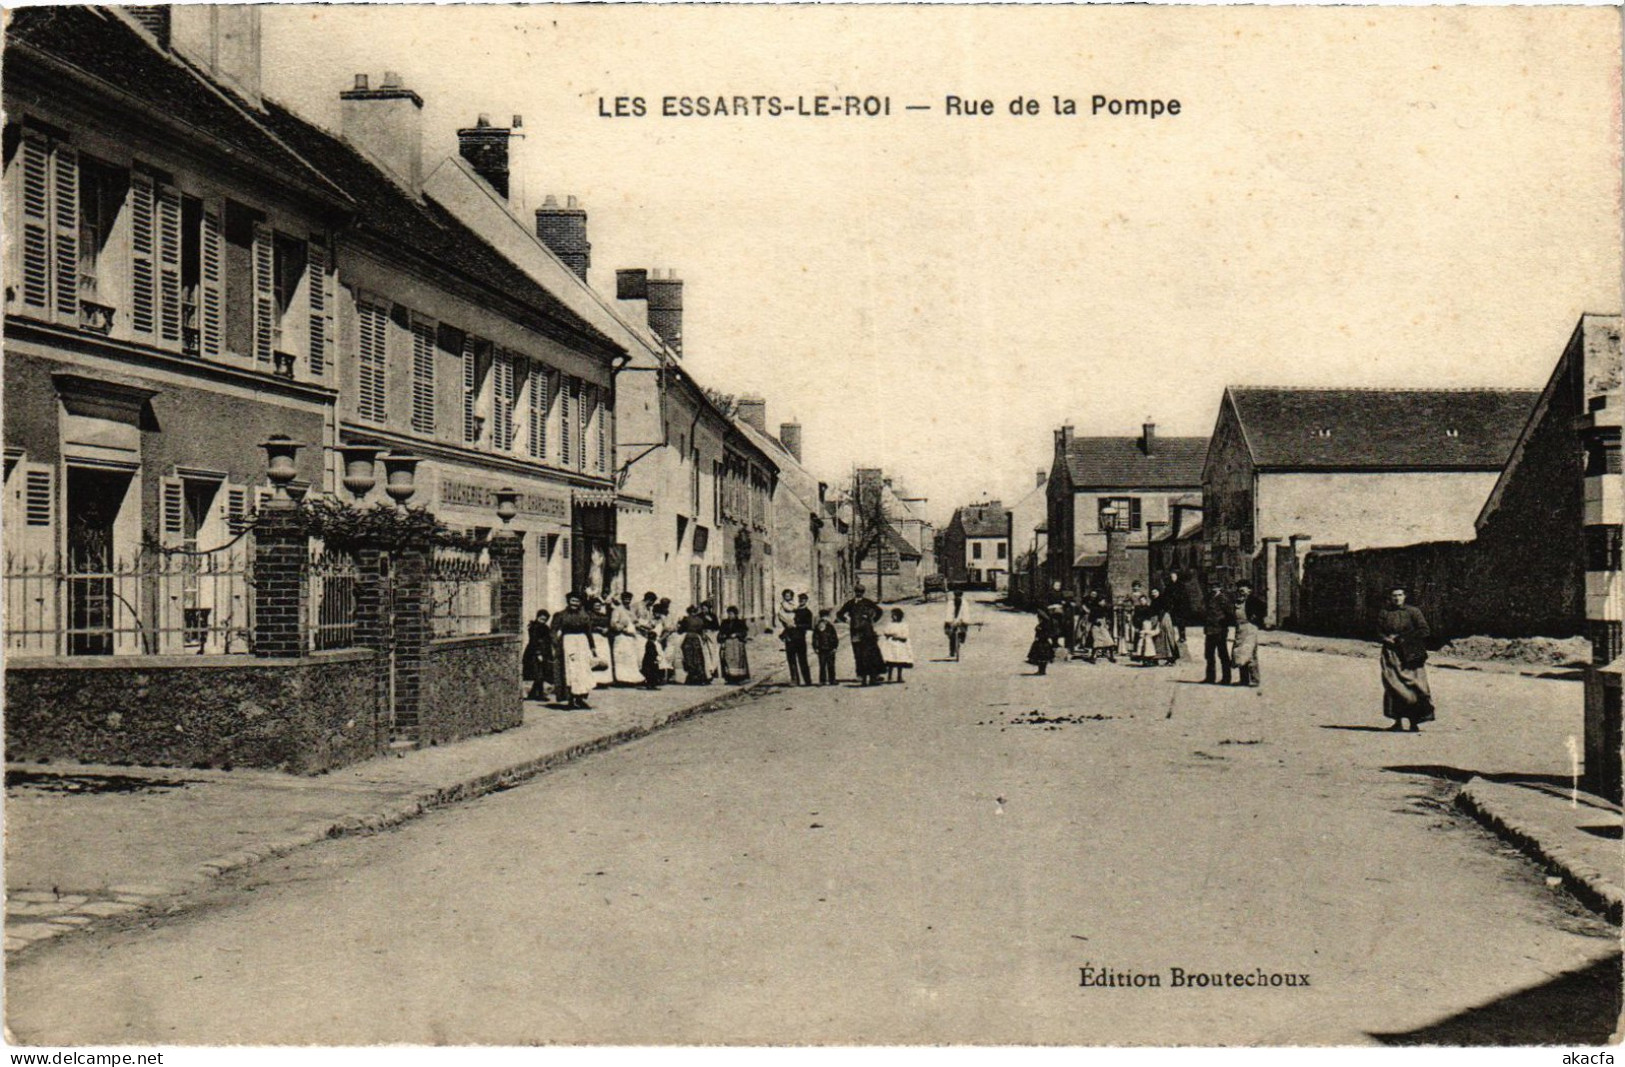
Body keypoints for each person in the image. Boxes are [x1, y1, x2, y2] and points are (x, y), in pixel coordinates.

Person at [1378, 586, 1435, 732]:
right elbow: (1378, 631)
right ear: (1390, 598)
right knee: (1393, 686)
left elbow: (1424, 630)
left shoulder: (1413, 612)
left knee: (1415, 686)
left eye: (1400, 595)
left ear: (1405, 596)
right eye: (1394, 595)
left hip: (1411, 654)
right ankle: (1397, 722)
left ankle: (1414, 722)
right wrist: (1386, 639)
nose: (1397, 598)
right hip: (1391, 654)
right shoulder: (1385, 613)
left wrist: (1404, 639)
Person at [552, 592, 604, 709]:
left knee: (583, 671)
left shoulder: (584, 616)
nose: (574, 604)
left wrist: (592, 648)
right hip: (568, 643)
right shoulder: (560, 615)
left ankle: (581, 699)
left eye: (577, 601)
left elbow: (588, 632)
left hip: (582, 643)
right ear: (568, 601)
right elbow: (553, 631)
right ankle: (571, 699)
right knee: (571, 670)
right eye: (572, 601)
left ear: (580, 603)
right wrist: (556, 644)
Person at [836, 584, 887, 686]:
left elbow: (879, 611)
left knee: (871, 652)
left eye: (861, 592)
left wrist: (873, 621)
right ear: (855, 592)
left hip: (867, 631)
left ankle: (874, 674)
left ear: (863, 593)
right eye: (857, 592)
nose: (859, 594)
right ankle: (860, 674)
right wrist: (847, 621)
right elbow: (839, 614)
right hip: (855, 631)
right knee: (857, 652)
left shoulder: (867, 602)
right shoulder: (850, 603)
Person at [1231, 580, 1266, 687]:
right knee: (1240, 652)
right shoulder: (1237, 601)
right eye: (1240, 588)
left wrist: (1256, 619)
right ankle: (1244, 679)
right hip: (1239, 628)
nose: (1241, 590)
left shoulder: (1253, 600)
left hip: (1250, 627)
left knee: (1250, 653)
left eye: (1244, 587)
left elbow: (1263, 608)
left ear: (1249, 590)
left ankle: (1255, 680)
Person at [609, 591, 643, 687]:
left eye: (629, 599)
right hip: (621, 636)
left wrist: (638, 626)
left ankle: (632, 679)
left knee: (631, 658)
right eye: (625, 599)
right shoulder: (617, 610)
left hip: (631, 637)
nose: (627, 601)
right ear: (622, 599)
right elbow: (613, 623)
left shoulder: (631, 610)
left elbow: (635, 621)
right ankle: (622, 680)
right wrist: (623, 629)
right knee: (622, 658)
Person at [1203, 582, 1234, 685]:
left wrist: (1224, 625)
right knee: (1209, 655)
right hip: (1210, 630)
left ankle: (1226, 678)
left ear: (1219, 588)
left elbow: (1229, 614)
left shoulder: (1223, 598)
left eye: (1215, 587)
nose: (1213, 589)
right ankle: (1210, 678)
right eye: (1212, 587)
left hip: (1220, 630)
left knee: (1223, 655)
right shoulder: (1209, 597)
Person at [777, 589, 810, 687]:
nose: (787, 597)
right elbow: (783, 619)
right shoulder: (783, 609)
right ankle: (794, 679)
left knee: (803, 659)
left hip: (800, 637)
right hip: (789, 636)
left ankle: (807, 680)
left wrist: (797, 625)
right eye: (786, 596)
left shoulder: (803, 610)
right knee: (791, 659)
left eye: (789, 595)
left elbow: (807, 624)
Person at [522, 609, 554, 701]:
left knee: (541, 674)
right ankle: (539, 695)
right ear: (537, 617)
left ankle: (533, 693)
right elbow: (534, 641)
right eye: (541, 618)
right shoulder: (534, 628)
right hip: (534, 654)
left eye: (544, 619)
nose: (542, 621)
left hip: (544, 653)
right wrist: (538, 653)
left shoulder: (545, 628)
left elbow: (548, 641)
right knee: (538, 675)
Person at [635, 594, 664, 690]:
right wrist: (643, 626)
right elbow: (635, 620)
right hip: (639, 633)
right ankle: (642, 678)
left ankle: (649, 679)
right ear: (648, 599)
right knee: (641, 656)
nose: (652, 604)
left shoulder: (649, 609)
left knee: (648, 657)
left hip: (646, 634)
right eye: (652, 602)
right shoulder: (637, 606)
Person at [677, 605, 710, 686]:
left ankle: (692, 677)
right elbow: (702, 630)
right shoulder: (700, 620)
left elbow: (680, 630)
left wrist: (679, 625)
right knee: (698, 657)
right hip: (697, 639)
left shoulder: (686, 619)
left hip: (688, 638)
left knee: (689, 658)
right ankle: (700, 677)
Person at [880, 607, 913, 683]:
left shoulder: (903, 625)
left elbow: (905, 636)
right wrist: (890, 634)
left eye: (895, 615)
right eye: (892, 615)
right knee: (890, 661)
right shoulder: (890, 624)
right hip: (891, 645)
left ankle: (899, 676)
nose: (893, 617)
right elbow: (886, 632)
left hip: (900, 645)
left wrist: (897, 636)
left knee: (899, 661)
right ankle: (889, 677)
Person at [719, 606, 751, 683]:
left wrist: (737, 634)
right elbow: (721, 632)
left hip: (737, 643)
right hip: (728, 643)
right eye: (729, 614)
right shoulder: (724, 622)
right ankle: (729, 677)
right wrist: (723, 636)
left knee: (738, 660)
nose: (730, 616)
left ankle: (739, 677)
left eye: (732, 614)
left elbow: (744, 632)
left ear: (735, 614)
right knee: (728, 659)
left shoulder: (740, 622)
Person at [1151, 585, 1180, 665]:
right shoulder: (1153, 601)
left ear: (1159, 592)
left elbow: (1166, 609)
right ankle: (1156, 658)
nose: (1154, 594)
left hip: (1164, 620)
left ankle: (1171, 658)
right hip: (1157, 621)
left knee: (1167, 638)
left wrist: (1161, 619)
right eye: (1152, 592)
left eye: (1155, 592)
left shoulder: (1163, 600)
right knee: (1158, 640)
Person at [1084, 593, 1116, 663]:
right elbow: (1090, 619)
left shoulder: (1105, 608)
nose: (1104, 602)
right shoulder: (1094, 609)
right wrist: (1095, 621)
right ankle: (1093, 657)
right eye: (1102, 601)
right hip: (1096, 627)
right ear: (1099, 601)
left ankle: (1111, 656)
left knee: (1109, 640)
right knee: (1097, 642)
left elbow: (1107, 617)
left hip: (1103, 626)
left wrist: (1107, 622)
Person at [812, 608, 841, 685]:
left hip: (830, 648)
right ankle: (822, 680)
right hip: (821, 648)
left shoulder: (830, 626)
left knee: (831, 664)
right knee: (822, 665)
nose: (824, 619)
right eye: (823, 617)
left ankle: (832, 679)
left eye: (825, 617)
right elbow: (815, 638)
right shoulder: (818, 627)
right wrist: (816, 647)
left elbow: (834, 637)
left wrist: (835, 647)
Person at [1027, 606, 1058, 675]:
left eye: (1039, 618)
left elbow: (1046, 634)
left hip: (1042, 643)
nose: (1038, 619)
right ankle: (1041, 670)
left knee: (1042, 657)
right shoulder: (1042, 624)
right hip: (1041, 642)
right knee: (1041, 658)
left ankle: (1042, 671)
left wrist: (1040, 633)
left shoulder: (1044, 625)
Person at [699, 599, 721, 681]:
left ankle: (713, 670)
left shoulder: (713, 616)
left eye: (705, 608)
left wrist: (711, 622)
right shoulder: (699, 616)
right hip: (702, 636)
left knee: (713, 653)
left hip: (711, 636)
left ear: (709, 608)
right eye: (703, 608)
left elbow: (717, 627)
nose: (704, 610)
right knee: (705, 654)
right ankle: (707, 671)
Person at [944, 590, 969, 660]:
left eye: (959, 596)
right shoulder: (950, 603)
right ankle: (952, 651)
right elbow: (949, 613)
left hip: (961, 620)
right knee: (951, 635)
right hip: (952, 621)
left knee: (963, 631)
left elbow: (966, 614)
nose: (957, 598)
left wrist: (963, 621)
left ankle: (961, 638)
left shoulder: (965, 603)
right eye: (956, 596)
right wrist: (950, 622)